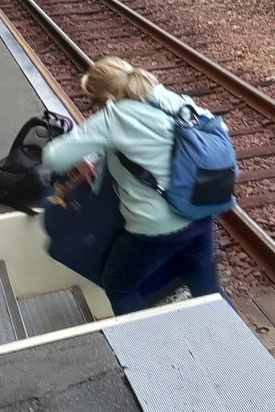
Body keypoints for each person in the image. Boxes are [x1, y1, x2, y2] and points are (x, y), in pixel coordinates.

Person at [41, 56, 231, 314]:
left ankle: (143, 349)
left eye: (94, 102)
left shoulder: (115, 117)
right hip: (200, 214)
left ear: (104, 98)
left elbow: (53, 156)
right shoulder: (170, 99)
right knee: (206, 287)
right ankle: (238, 345)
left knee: (118, 285)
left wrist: (79, 158)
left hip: (156, 229)